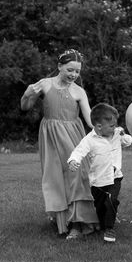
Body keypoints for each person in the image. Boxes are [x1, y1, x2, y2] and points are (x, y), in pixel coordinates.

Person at [20, 49, 99, 239]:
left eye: (77, 71)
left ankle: (78, 224)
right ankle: (62, 220)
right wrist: (27, 94)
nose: (73, 75)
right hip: (51, 137)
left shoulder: (79, 91)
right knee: (55, 178)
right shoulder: (45, 85)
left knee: (77, 175)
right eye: (70, 70)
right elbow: (25, 107)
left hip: (74, 136)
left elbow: (89, 120)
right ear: (59, 67)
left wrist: (106, 128)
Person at [67, 103, 132, 243]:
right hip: (98, 181)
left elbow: (127, 142)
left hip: (115, 177)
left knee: (111, 200)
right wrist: (73, 161)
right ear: (98, 127)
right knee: (100, 206)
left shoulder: (116, 133)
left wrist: (124, 135)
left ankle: (109, 229)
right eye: (111, 126)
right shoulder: (89, 140)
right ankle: (103, 224)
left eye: (115, 125)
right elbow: (78, 152)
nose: (114, 128)